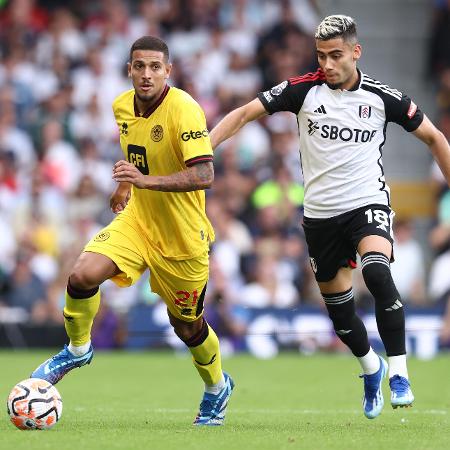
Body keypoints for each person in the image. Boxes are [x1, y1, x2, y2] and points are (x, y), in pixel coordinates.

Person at [209, 15, 450, 419]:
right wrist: (204, 145)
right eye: (321, 56)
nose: (328, 64)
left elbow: (434, 137)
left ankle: (399, 372)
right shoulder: (302, 90)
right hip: (320, 216)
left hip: (366, 203)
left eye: (336, 55)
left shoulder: (381, 97)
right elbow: (245, 113)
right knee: (341, 315)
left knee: (376, 271)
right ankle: (370, 367)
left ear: (356, 52)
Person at [30, 36, 234, 426]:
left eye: (155, 67)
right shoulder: (121, 105)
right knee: (81, 275)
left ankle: (216, 387)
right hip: (138, 221)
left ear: (168, 71)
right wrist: (127, 184)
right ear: (129, 69)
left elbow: (205, 174)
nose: (146, 74)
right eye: (139, 66)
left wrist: (144, 181)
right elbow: (135, 150)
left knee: (187, 327)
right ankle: (77, 349)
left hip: (183, 239)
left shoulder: (185, 111)